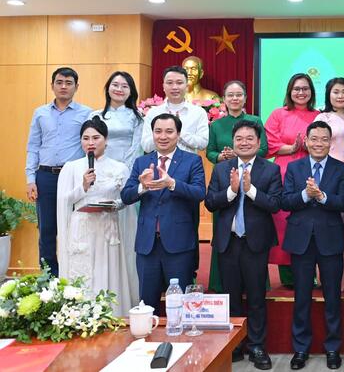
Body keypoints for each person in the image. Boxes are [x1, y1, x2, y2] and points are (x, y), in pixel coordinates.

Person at [205, 119, 282, 370]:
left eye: (250, 138)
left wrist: (249, 191)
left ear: (259, 143)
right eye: (239, 139)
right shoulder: (221, 169)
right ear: (233, 142)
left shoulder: (269, 171)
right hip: (228, 242)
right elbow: (210, 203)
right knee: (232, 296)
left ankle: (257, 346)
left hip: (254, 243)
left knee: (257, 296)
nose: (244, 142)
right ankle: (235, 343)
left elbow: (274, 204)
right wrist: (231, 190)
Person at [282, 121, 344, 370]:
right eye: (315, 139)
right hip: (301, 241)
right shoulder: (294, 167)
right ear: (307, 141)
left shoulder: (342, 169)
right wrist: (305, 195)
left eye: (324, 139)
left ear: (330, 142)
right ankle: (301, 348)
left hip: (330, 240)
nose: (319, 143)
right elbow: (285, 200)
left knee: (333, 296)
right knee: (302, 297)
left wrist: (322, 197)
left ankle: (333, 348)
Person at [121, 113, 206, 310]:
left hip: (178, 245)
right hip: (147, 245)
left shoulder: (192, 161)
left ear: (178, 134)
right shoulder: (142, 162)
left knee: (180, 305)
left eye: (169, 131)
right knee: (147, 303)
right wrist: (143, 187)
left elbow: (200, 192)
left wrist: (172, 184)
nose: (163, 136)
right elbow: (126, 196)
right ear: (152, 134)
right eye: (158, 131)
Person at [56, 116, 138, 316]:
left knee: (106, 269)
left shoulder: (120, 168)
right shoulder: (72, 167)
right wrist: (83, 186)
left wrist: (114, 206)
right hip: (82, 227)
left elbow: (126, 200)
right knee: (83, 274)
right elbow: (64, 201)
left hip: (107, 226)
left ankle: (111, 313)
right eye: (86, 138)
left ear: (106, 139)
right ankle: (82, 317)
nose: (90, 143)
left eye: (96, 137)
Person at [26, 67, 92, 275]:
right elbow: (33, 146)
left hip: (72, 178)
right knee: (46, 230)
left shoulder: (86, 113)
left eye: (68, 83)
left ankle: (73, 275)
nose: (64, 86)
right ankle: (49, 279)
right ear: (52, 85)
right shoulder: (40, 113)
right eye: (60, 82)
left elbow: (90, 144)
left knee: (74, 228)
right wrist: (30, 179)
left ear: (76, 87)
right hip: (44, 176)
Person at [206, 80, 267, 292]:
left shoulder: (254, 120)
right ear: (224, 99)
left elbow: (264, 149)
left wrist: (241, 154)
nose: (234, 99)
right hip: (225, 177)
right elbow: (209, 152)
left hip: (253, 175)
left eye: (239, 95)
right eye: (230, 95)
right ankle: (219, 281)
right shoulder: (215, 125)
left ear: (245, 98)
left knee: (253, 226)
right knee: (224, 230)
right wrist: (221, 156)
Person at [265, 73, 320, 287]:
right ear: (289, 91)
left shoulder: (319, 115)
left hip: (310, 170)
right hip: (283, 171)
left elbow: (324, 141)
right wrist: (293, 148)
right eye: (297, 88)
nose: (301, 92)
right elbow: (268, 144)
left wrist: (310, 147)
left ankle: (310, 273)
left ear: (311, 92)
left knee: (309, 222)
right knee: (283, 223)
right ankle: (288, 277)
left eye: (305, 88)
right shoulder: (279, 114)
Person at [315, 77, 344, 289]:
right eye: (335, 92)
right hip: (329, 174)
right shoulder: (322, 117)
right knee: (329, 221)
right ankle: (326, 272)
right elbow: (315, 145)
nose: (340, 95)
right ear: (328, 95)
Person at [141, 65, 209, 154]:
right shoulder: (153, 112)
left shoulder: (198, 112)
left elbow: (203, 143)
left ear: (187, 86)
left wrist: (179, 132)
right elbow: (146, 146)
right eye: (169, 83)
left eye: (179, 83)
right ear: (163, 86)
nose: (174, 87)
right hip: (159, 163)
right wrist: (163, 134)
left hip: (188, 164)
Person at [91, 71, 144, 170]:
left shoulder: (136, 117)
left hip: (127, 168)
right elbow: (89, 144)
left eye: (125, 86)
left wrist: (124, 169)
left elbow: (137, 148)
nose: (119, 89)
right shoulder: (95, 116)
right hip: (98, 167)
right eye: (115, 85)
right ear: (108, 88)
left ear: (130, 91)